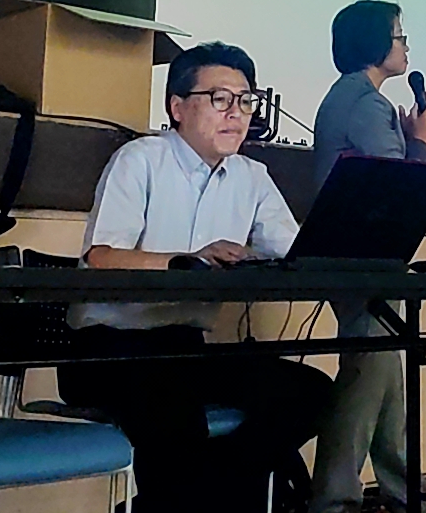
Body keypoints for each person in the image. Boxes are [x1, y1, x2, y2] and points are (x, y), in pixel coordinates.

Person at [60, 41, 333, 513]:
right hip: (107, 349)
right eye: (220, 99)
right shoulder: (141, 159)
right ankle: (201, 497)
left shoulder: (251, 176)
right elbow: (102, 256)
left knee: (310, 394)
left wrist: (266, 260)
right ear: (178, 107)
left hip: (183, 346)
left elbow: (295, 252)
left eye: (246, 100)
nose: (236, 113)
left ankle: (200, 494)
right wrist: (187, 259)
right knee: (173, 412)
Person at [308, 1, 426, 513]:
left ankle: (403, 491)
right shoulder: (367, 103)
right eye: (398, 35)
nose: (406, 45)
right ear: (374, 43)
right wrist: (422, 143)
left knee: (384, 374)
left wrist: (410, 139)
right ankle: (334, 499)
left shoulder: (351, 96)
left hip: (357, 256)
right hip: (358, 256)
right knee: (367, 377)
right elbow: (395, 187)